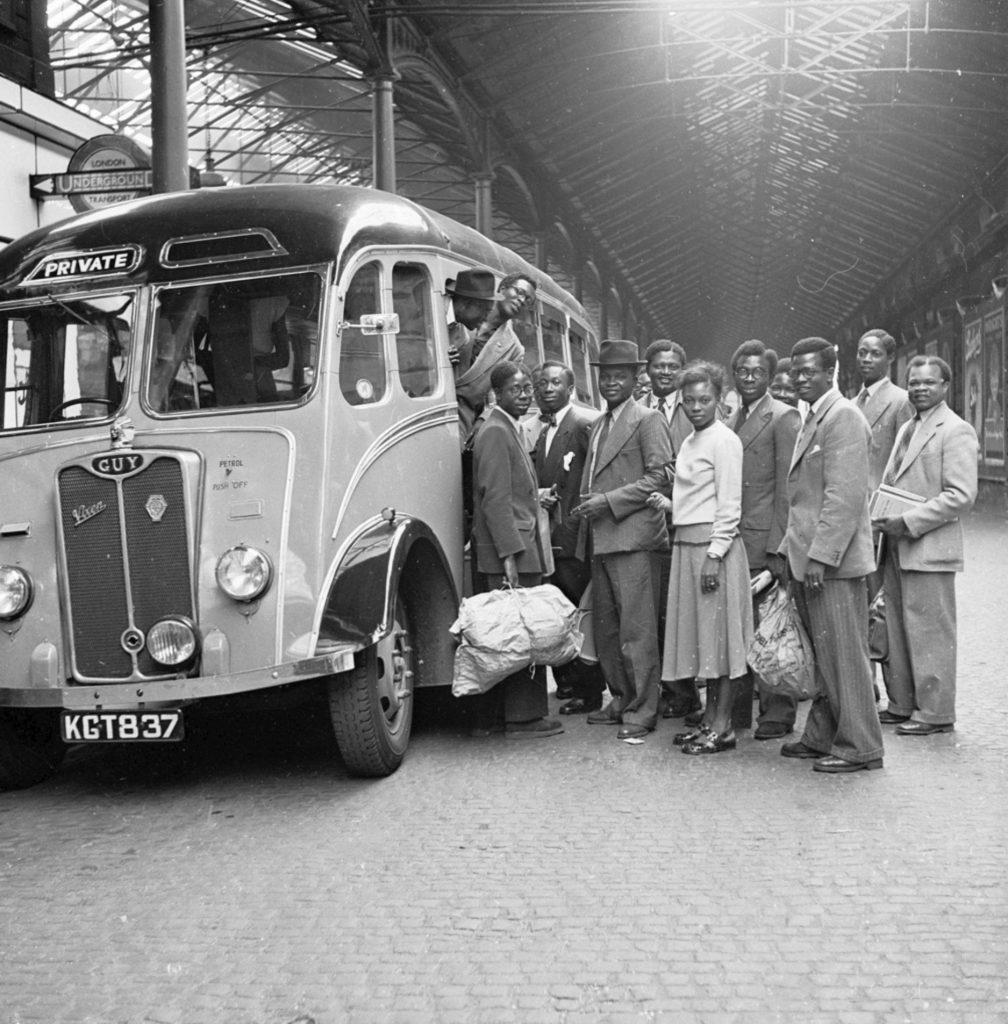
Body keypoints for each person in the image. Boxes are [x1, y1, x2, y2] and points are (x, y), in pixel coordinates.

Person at [778, 337, 885, 774]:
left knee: (844, 654)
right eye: (796, 372)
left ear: (830, 372)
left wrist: (821, 557)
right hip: (810, 559)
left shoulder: (841, 417)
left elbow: (843, 498)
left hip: (832, 565)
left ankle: (861, 745)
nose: (801, 378)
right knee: (825, 655)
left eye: (810, 372)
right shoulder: (815, 415)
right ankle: (823, 734)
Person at [647, 362, 753, 754]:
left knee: (721, 643)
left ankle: (723, 727)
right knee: (704, 641)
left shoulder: (725, 441)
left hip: (712, 550)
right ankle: (709, 720)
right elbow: (695, 499)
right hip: (686, 548)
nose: (695, 406)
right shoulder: (692, 440)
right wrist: (671, 504)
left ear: (718, 399)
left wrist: (714, 554)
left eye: (704, 399)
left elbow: (729, 505)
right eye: (688, 400)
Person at [572, 340, 673, 741]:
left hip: (632, 538)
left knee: (637, 630)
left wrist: (607, 502)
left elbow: (660, 477)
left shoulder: (648, 420)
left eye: (620, 376)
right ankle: (622, 697)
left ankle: (644, 708)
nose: (611, 382)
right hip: (602, 538)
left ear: (635, 379)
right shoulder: (599, 424)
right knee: (609, 630)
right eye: (605, 376)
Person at [872, 356, 978, 735]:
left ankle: (934, 713)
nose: (919, 388)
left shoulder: (956, 430)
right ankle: (902, 704)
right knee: (898, 626)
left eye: (928, 383)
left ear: (945, 386)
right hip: (897, 545)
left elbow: (961, 495)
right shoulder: (908, 429)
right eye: (914, 382)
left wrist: (909, 522)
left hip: (928, 547)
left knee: (931, 631)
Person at [468, 360, 563, 739]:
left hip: (516, 544)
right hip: (512, 549)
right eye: (516, 390)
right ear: (497, 394)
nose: (525, 395)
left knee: (511, 634)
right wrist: (509, 555)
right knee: (520, 634)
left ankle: (500, 717)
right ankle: (523, 718)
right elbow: (494, 498)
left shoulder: (505, 427)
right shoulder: (496, 431)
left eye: (528, 389)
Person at [727, 340, 801, 740]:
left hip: (762, 542)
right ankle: (739, 709)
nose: (749, 377)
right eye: (742, 371)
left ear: (770, 378)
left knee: (770, 626)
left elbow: (788, 489)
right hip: (736, 539)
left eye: (757, 372)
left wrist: (778, 550)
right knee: (742, 625)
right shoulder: (734, 417)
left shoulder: (782, 417)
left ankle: (777, 712)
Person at [532, 361, 605, 715]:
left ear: (570, 389)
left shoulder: (581, 424)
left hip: (573, 536)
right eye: (542, 382)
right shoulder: (543, 431)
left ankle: (589, 691)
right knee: (561, 611)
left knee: (580, 614)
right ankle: (573, 684)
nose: (548, 388)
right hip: (553, 537)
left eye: (555, 382)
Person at [638, 338, 700, 720]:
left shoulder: (694, 410)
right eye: (658, 366)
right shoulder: (639, 410)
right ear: (647, 369)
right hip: (646, 522)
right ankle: (662, 687)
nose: (664, 372)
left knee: (679, 612)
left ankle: (684, 690)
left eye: (671, 366)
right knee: (653, 610)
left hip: (681, 522)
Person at [455, 272, 537, 445]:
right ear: (502, 288)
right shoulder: (463, 311)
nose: (522, 301)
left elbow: (499, 393)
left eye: (528, 300)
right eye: (519, 292)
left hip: (463, 418)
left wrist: (483, 421)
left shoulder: (514, 349)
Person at [853, 328, 914, 493]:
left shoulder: (901, 401)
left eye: (875, 354)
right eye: (862, 353)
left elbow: (906, 461)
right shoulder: (850, 405)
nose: (866, 359)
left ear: (891, 358)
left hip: (878, 502)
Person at [446, 269, 495, 372]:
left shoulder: (462, 337)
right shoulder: (430, 308)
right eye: (484, 311)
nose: (486, 318)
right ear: (465, 303)